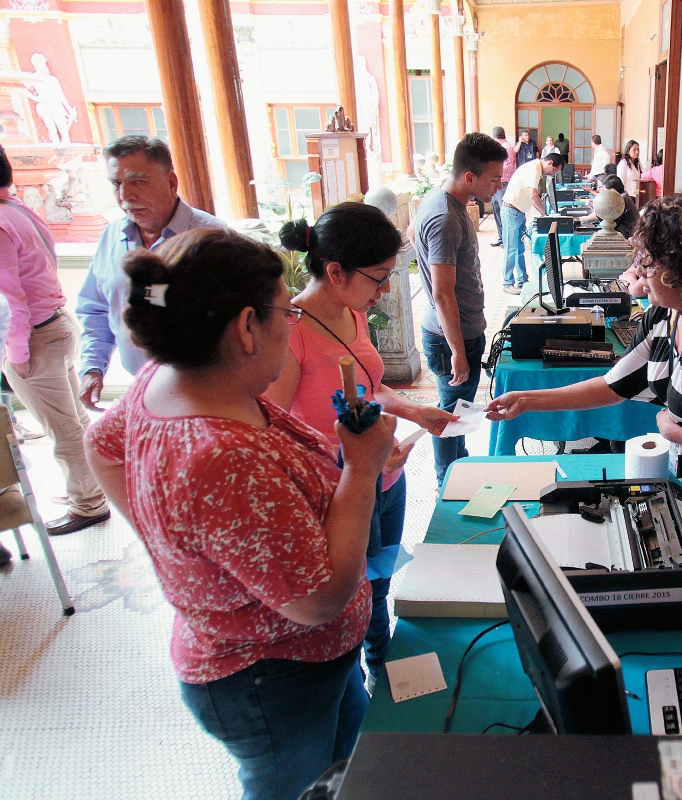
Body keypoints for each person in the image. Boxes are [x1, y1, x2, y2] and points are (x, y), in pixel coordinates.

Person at [84, 227, 399, 800]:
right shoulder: (226, 459)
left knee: (352, 769)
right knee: (295, 787)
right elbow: (318, 600)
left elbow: (101, 446)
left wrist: (175, 548)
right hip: (269, 677)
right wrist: (360, 470)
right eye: (287, 312)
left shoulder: (169, 379)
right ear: (247, 327)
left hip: (306, 663)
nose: (292, 323)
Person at [488, 193, 682, 579]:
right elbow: (614, 384)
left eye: (648, 262)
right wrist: (526, 400)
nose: (637, 271)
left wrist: (672, 430)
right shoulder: (665, 315)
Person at [269, 203, 456, 688]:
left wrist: (415, 411)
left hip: (384, 475)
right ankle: (372, 676)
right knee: (358, 592)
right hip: (343, 488)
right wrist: (356, 461)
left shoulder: (351, 311)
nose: (386, 289)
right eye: (380, 277)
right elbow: (276, 436)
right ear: (336, 272)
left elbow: (369, 388)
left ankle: (382, 664)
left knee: (381, 579)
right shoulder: (291, 335)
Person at [0, 145, 110, 536]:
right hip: (57, 324)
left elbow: (10, 299)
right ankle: (91, 487)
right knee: (74, 421)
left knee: (63, 429)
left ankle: (89, 503)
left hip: (35, 337)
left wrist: (17, 355)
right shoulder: (18, 208)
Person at [76, 135, 223, 411]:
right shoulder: (111, 236)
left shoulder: (213, 239)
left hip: (206, 393)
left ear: (171, 183)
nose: (125, 196)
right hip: (142, 389)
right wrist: (92, 368)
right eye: (117, 184)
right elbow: (96, 309)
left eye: (138, 181)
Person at [410, 133, 508, 487]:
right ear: (469, 177)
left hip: (458, 329)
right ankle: (446, 482)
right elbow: (442, 293)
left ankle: (457, 469)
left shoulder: (442, 200)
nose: (499, 186)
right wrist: (457, 352)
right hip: (452, 335)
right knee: (449, 414)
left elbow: (412, 232)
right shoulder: (445, 218)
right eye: (493, 179)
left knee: (457, 411)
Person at [500, 152, 565, 295]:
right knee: (511, 249)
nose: (552, 174)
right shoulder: (534, 168)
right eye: (554, 171)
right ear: (549, 163)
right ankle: (507, 283)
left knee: (519, 249)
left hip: (518, 211)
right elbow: (533, 195)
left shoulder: (536, 169)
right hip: (511, 211)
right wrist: (544, 215)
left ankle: (522, 280)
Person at [490, 126, 517, 249]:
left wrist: (493, 169)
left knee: (504, 213)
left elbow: (509, 167)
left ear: (494, 137)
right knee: (496, 211)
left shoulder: (507, 148)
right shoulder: (497, 148)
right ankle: (501, 238)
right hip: (495, 184)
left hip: (504, 185)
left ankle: (507, 240)